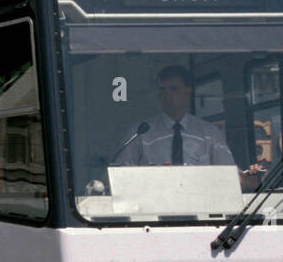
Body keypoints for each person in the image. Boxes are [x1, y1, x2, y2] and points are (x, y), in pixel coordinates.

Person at [113, 65, 265, 190]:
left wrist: (248, 179)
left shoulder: (209, 134)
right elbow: (120, 174)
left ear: (188, 91)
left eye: (173, 89)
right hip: (152, 214)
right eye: (162, 89)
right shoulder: (141, 132)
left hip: (202, 213)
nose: (166, 95)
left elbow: (228, 173)